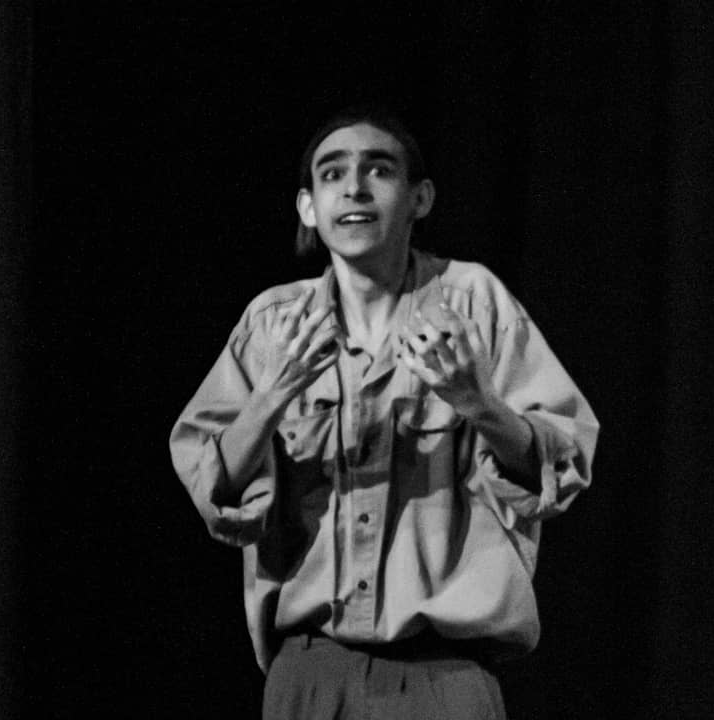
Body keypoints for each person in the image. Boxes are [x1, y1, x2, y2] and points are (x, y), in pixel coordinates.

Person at [170, 105, 599, 719]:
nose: (354, 187)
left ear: (420, 198)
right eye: (332, 173)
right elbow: (215, 491)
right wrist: (271, 396)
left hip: (445, 676)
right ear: (308, 207)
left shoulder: (473, 304)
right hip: (311, 674)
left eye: (379, 170)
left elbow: (563, 464)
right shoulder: (273, 324)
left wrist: (479, 403)